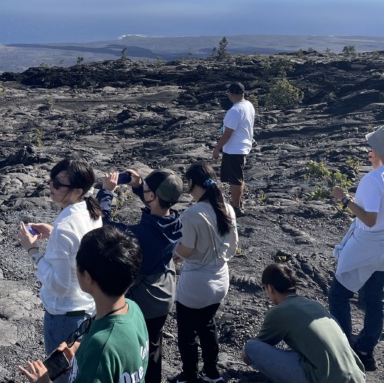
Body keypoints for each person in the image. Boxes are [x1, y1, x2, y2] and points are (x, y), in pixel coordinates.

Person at [19, 225, 149, 383]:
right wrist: (80, 348)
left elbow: (105, 350)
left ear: (87, 277)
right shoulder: (133, 310)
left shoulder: (100, 347)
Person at [17, 158, 103, 383]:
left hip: (65, 315)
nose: (50, 187)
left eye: (57, 184)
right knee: (78, 372)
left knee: (62, 377)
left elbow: (60, 285)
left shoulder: (66, 227)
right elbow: (79, 245)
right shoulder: (91, 211)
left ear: (77, 191)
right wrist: (54, 230)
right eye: (51, 181)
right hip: (87, 308)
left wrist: (32, 250)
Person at [97, 168, 183, 383]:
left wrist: (106, 192)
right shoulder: (174, 221)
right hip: (165, 293)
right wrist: (139, 187)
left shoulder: (142, 235)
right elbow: (155, 204)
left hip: (146, 302)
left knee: (138, 349)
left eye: (147, 190)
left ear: (152, 196)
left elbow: (107, 225)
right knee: (153, 346)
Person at [169, 162, 238, 383]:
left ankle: (190, 375)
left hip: (196, 285)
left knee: (187, 334)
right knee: (207, 325)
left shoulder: (193, 213)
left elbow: (187, 250)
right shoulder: (226, 208)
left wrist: (174, 249)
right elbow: (232, 246)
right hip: (220, 279)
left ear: (192, 183)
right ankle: (211, 372)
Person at [242, 263, 365, 383]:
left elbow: (250, 353)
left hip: (327, 379)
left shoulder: (279, 311)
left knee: (251, 348)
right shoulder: (314, 305)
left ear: (270, 288)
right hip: (356, 376)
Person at [328, 124, 384, 372]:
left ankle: (344, 350)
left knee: (338, 295)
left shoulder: (373, 180)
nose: (368, 152)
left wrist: (344, 199)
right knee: (374, 300)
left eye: (372, 148)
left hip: (367, 245)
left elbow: (370, 219)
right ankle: (366, 350)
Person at [212, 82, 255, 215]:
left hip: (234, 149)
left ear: (231, 94)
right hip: (242, 146)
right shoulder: (248, 105)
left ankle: (236, 208)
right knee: (238, 177)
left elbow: (228, 133)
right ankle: (238, 203)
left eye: (228, 93)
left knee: (235, 179)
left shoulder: (235, 110)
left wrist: (217, 148)